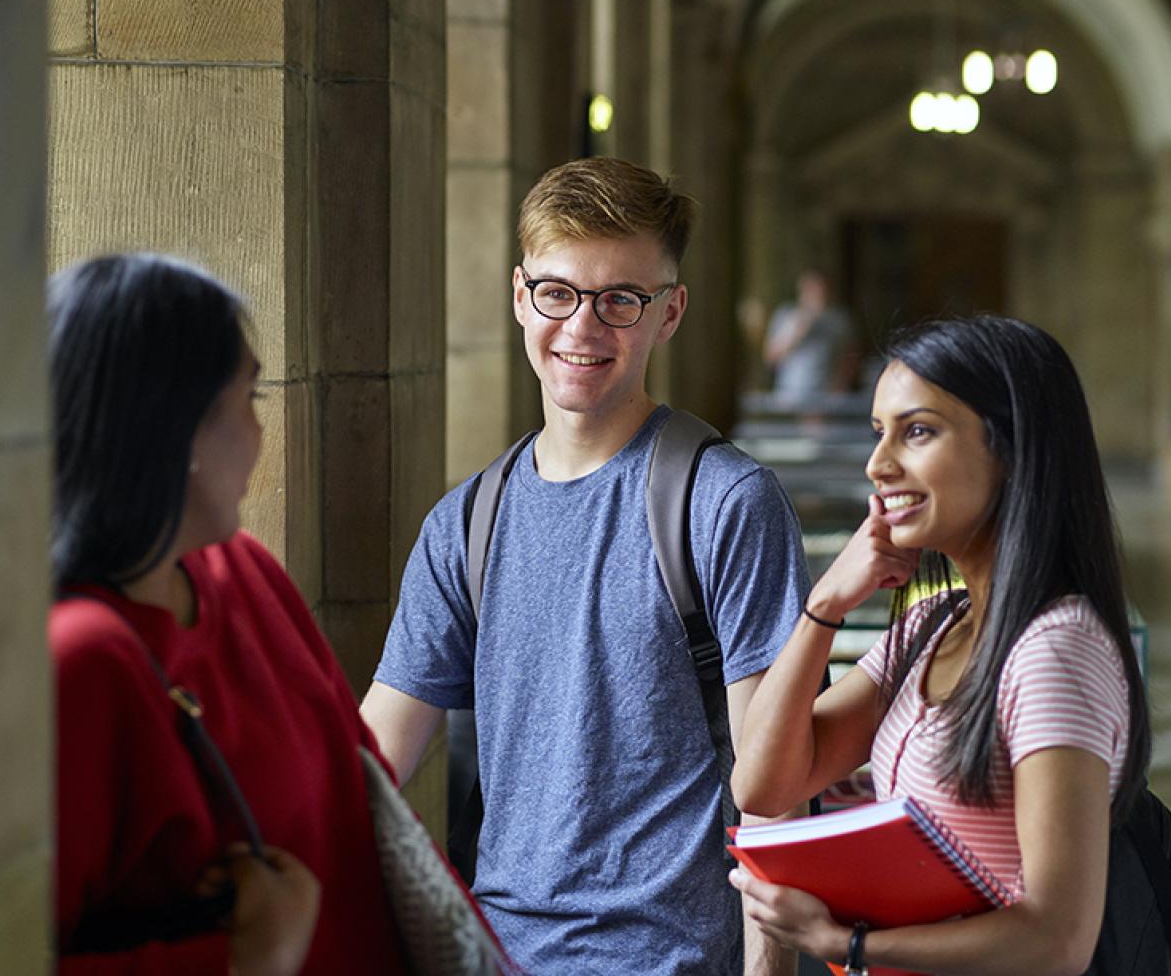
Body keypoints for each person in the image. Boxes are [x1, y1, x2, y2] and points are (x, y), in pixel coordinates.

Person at [362, 157, 813, 975]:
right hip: (495, 954)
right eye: (558, 293)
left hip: (668, 957)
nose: (581, 328)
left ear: (669, 312)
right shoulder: (465, 523)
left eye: (620, 301)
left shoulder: (727, 504)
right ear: (519, 295)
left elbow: (774, 789)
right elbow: (373, 761)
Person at [728, 316, 1152, 976]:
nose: (878, 464)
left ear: (1011, 449)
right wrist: (825, 604)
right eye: (879, 433)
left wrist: (847, 945)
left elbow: (1057, 939)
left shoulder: (1053, 650)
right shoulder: (933, 625)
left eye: (917, 431)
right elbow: (763, 781)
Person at [48, 253, 418, 974]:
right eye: (248, 397)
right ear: (175, 429)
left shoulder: (248, 572)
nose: (259, 433)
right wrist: (241, 959)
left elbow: (377, 819)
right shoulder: (80, 660)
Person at [762, 270, 856, 398]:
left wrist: (838, 388)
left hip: (825, 396)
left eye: (819, 290)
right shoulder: (786, 314)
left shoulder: (838, 319)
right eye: (811, 290)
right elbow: (770, 358)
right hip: (789, 394)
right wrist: (797, 331)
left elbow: (850, 357)